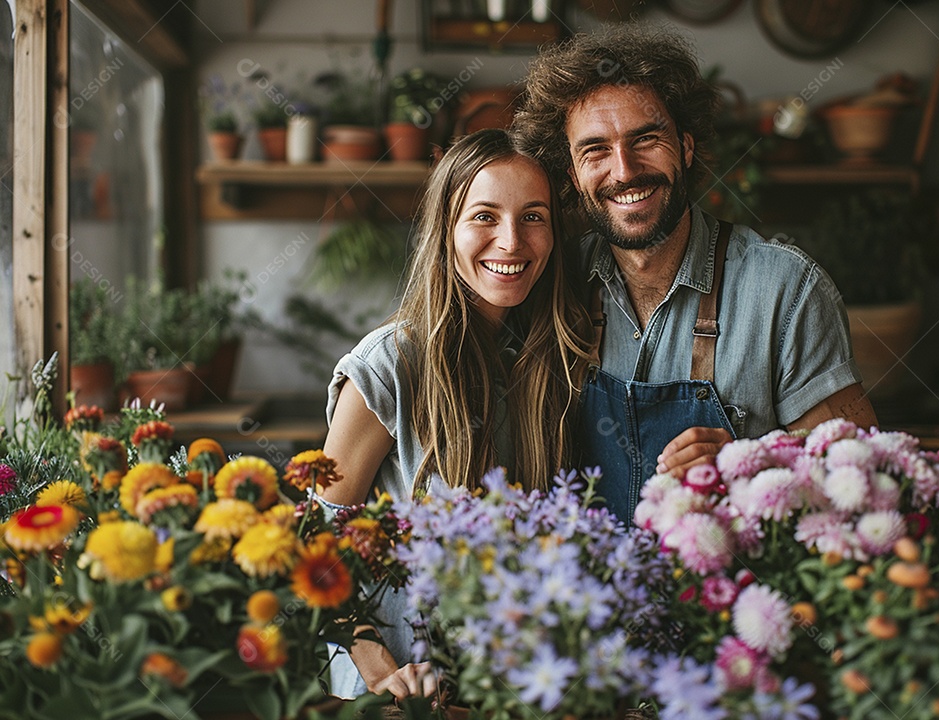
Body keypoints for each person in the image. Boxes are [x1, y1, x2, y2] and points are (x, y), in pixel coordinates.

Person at [512, 24, 878, 525]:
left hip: (730, 576)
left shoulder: (786, 291)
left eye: (646, 138)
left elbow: (859, 478)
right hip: (583, 576)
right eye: (595, 150)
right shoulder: (552, 280)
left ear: (685, 146)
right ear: (573, 174)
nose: (624, 170)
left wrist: (749, 467)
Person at [319, 128, 592, 698]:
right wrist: (380, 672)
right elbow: (318, 548)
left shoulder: (550, 364)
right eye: (484, 216)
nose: (511, 241)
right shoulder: (389, 365)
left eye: (533, 217)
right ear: (446, 229)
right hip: (404, 693)